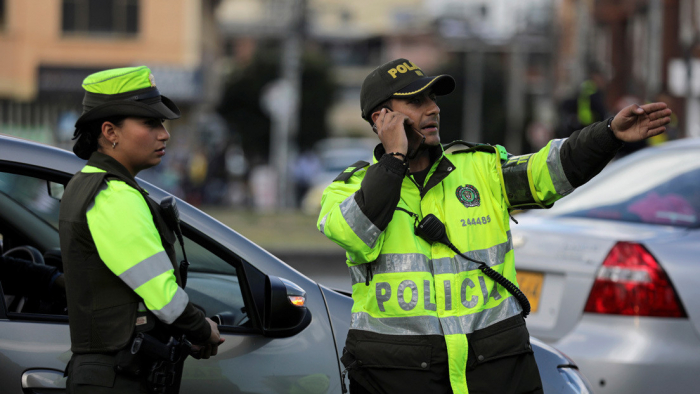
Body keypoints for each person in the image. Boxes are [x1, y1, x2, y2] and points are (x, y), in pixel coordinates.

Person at [317, 58, 672, 394]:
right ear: (382, 118)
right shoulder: (350, 188)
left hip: (496, 371)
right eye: (416, 101)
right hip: (398, 377)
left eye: (433, 98)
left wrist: (608, 134)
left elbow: (550, 169)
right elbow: (353, 231)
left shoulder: (480, 169)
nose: (433, 108)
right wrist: (395, 159)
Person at [59, 66, 224, 393]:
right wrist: (203, 329)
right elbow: (160, 293)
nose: (164, 134)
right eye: (150, 123)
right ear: (110, 132)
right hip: (118, 376)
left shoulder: (89, 183)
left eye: (161, 124)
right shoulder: (114, 195)